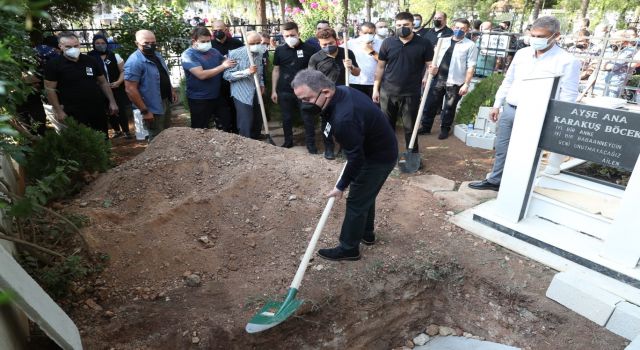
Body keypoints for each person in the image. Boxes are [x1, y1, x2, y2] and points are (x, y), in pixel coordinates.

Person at [292, 69, 398, 261]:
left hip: (377, 157)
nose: (303, 104)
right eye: (300, 100)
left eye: (307, 99)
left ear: (325, 92)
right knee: (367, 193)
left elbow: (356, 159)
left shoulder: (344, 119)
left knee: (357, 200)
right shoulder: (342, 91)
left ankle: (349, 248)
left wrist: (341, 186)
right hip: (376, 146)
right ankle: (367, 234)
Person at [468, 16, 580, 191]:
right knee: (502, 147)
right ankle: (496, 181)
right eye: (533, 35)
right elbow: (509, 80)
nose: (535, 40)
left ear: (556, 36)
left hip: (537, 114)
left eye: (541, 36)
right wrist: (497, 103)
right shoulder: (522, 54)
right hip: (511, 109)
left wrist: (558, 118)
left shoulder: (567, 61)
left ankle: (517, 188)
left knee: (526, 153)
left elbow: (569, 94)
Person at [373, 12, 434, 157]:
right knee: (387, 127)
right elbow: (380, 67)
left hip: (410, 93)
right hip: (387, 92)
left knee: (410, 127)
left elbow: (430, 65)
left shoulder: (424, 44)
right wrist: (376, 88)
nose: (402, 28)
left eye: (406, 25)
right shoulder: (388, 43)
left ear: (412, 25)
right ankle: (386, 154)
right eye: (399, 25)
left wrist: (432, 71)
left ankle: (412, 155)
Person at [44, 31, 118, 136]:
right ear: (60, 46)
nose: (73, 49)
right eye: (68, 47)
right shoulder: (54, 64)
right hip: (72, 110)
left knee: (102, 137)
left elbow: (103, 82)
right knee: (81, 139)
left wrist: (112, 101)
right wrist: (59, 110)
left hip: (96, 107)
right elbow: (50, 89)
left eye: (76, 45)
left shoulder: (90, 60)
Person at [419, 18, 478, 139]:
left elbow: (471, 66)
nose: (459, 30)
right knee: (430, 104)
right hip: (437, 79)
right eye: (457, 27)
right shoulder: (442, 41)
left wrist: (466, 84)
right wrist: (426, 76)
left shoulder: (470, 45)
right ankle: (425, 127)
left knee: (449, 107)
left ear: (467, 30)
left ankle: (445, 129)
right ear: (453, 27)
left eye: (462, 29)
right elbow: (432, 61)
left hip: (455, 81)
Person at [308, 28, 360, 159]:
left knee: (345, 121)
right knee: (327, 123)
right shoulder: (316, 58)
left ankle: (344, 147)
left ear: (336, 41)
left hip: (344, 94)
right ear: (319, 44)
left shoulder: (347, 53)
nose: (328, 46)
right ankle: (329, 147)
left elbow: (357, 72)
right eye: (324, 44)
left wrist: (351, 67)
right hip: (325, 96)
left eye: (330, 43)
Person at [271, 21, 319, 148]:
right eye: (286, 36)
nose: (289, 38)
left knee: (307, 118)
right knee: (286, 118)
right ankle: (288, 142)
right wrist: (274, 90)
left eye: (292, 35)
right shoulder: (280, 50)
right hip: (284, 90)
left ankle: (311, 144)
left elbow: (314, 70)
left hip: (305, 91)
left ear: (298, 33)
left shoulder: (310, 49)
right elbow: (276, 70)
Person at [124, 29, 178, 140]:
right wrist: (145, 111)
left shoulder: (157, 55)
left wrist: (171, 89)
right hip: (151, 107)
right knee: (156, 139)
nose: (150, 45)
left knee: (167, 135)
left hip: (165, 101)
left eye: (153, 43)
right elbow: (130, 89)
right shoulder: (134, 61)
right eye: (146, 43)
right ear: (137, 43)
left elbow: (164, 74)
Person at [181, 27, 237, 129]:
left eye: (208, 41)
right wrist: (223, 66)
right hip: (199, 99)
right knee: (200, 128)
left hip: (216, 95)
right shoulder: (188, 55)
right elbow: (201, 75)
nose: (207, 43)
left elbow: (225, 60)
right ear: (194, 41)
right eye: (203, 41)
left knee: (226, 122)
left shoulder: (213, 51)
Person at [88, 34, 133, 139]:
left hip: (116, 88)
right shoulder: (89, 57)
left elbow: (123, 71)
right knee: (108, 111)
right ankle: (117, 130)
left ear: (107, 44)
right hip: (100, 90)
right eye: (97, 43)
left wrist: (118, 82)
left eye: (103, 43)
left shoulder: (114, 56)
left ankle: (126, 131)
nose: (100, 45)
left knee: (120, 110)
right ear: (93, 44)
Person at [223, 32, 265, 139]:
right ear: (246, 43)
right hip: (242, 92)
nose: (255, 45)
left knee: (257, 119)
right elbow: (227, 75)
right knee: (246, 121)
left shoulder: (260, 52)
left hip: (256, 90)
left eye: (258, 42)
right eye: (252, 43)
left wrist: (261, 84)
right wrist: (246, 72)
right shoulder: (235, 54)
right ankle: (245, 144)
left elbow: (260, 71)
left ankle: (256, 142)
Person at [211, 20, 244, 132]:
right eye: (215, 30)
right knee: (221, 111)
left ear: (226, 29)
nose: (218, 32)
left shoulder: (236, 43)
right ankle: (224, 132)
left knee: (235, 109)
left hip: (235, 82)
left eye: (220, 30)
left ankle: (236, 131)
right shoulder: (210, 46)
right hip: (218, 83)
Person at [592, 31, 638, 98]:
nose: (613, 42)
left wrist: (602, 64)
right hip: (599, 83)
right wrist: (601, 64)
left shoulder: (630, 51)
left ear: (625, 41)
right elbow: (594, 63)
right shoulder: (608, 48)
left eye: (616, 40)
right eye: (613, 39)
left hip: (613, 86)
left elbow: (612, 66)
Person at [348, 22, 382, 98]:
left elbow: (384, 61)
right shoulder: (350, 44)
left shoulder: (381, 44)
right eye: (365, 33)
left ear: (374, 33)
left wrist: (372, 52)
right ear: (360, 32)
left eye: (370, 33)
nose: (367, 35)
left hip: (374, 83)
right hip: (355, 82)